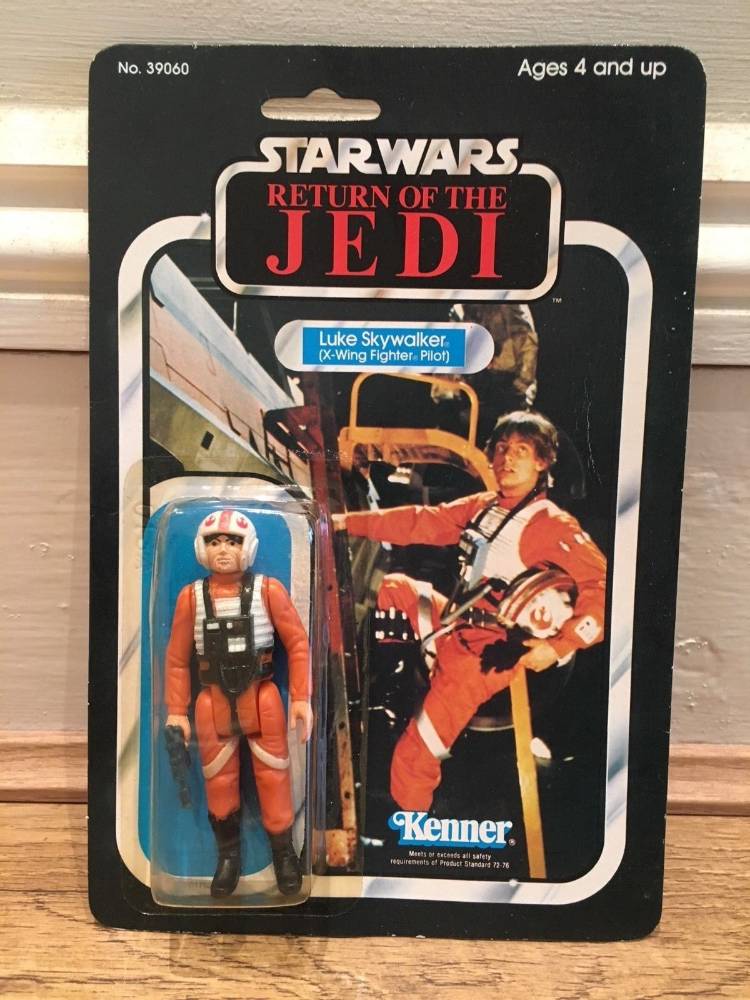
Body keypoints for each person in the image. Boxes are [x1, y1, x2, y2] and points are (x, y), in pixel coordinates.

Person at [333, 412, 606, 812]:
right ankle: (373, 687)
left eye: (522, 451)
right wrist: (347, 523)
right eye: (502, 448)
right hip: (453, 624)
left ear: (542, 462)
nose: (507, 459)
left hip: (485, 657)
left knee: (415, 757)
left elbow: (603, 589)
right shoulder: (486, 506)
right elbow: (421, 522)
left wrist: (558, 647)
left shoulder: (552, 524)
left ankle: (411, 826)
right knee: (394, 589)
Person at [164, 508, 312, 897]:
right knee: (219, 781)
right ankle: (227, 857)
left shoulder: (268, 591)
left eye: (233, 541)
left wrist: (301, 698)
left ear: (249, 547)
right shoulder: (191, 598)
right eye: (214, 542)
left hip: (262, 699)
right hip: (212, 703)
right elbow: (177, 659)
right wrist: (176, 711)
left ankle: (284, 856)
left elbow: (298, 643)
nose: (223, 550)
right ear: (201, 548)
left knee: (274, 777)